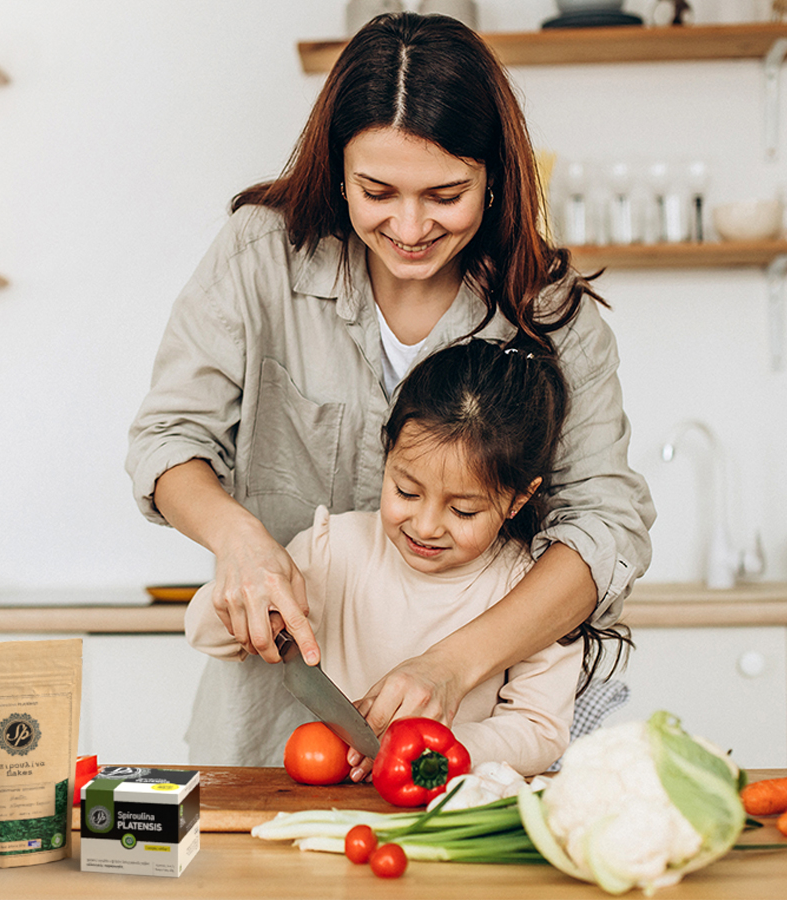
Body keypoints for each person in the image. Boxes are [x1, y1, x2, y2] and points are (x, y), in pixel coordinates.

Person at [126, 13, 654, 774]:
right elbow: (169, 439)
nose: (409, 227)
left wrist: (453, 664)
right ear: (338, 171)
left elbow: (606, 524)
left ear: (494, 179)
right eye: (377, 191)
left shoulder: (547, 313)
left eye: (446, 194)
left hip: (456, 753)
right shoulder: (259, 255)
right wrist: (237, 541)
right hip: (266, 737)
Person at [186, 338, 624, 776]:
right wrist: (244, 601)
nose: (427, 526)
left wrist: (433, 749)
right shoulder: (333, 547)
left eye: (463, 510)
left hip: (450, 800)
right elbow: (203, 633)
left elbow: (539, 731)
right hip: (330, 801)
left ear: (518, 500)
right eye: (407, 492)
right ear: (388, 454)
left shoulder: (537, 591)